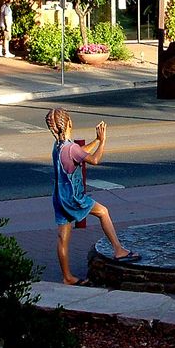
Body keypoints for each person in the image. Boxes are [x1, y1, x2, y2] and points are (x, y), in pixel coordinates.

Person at [45, 107, 140, 286]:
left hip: (59, 197)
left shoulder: (58, 146)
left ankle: (67, 277)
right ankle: (119, 250)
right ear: (69, 123)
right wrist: (102, 141)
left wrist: (95, 140)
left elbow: (81, 154)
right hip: (73, 198)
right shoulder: (71, 148)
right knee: (103, 212)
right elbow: (94, 159)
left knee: (62, 237)